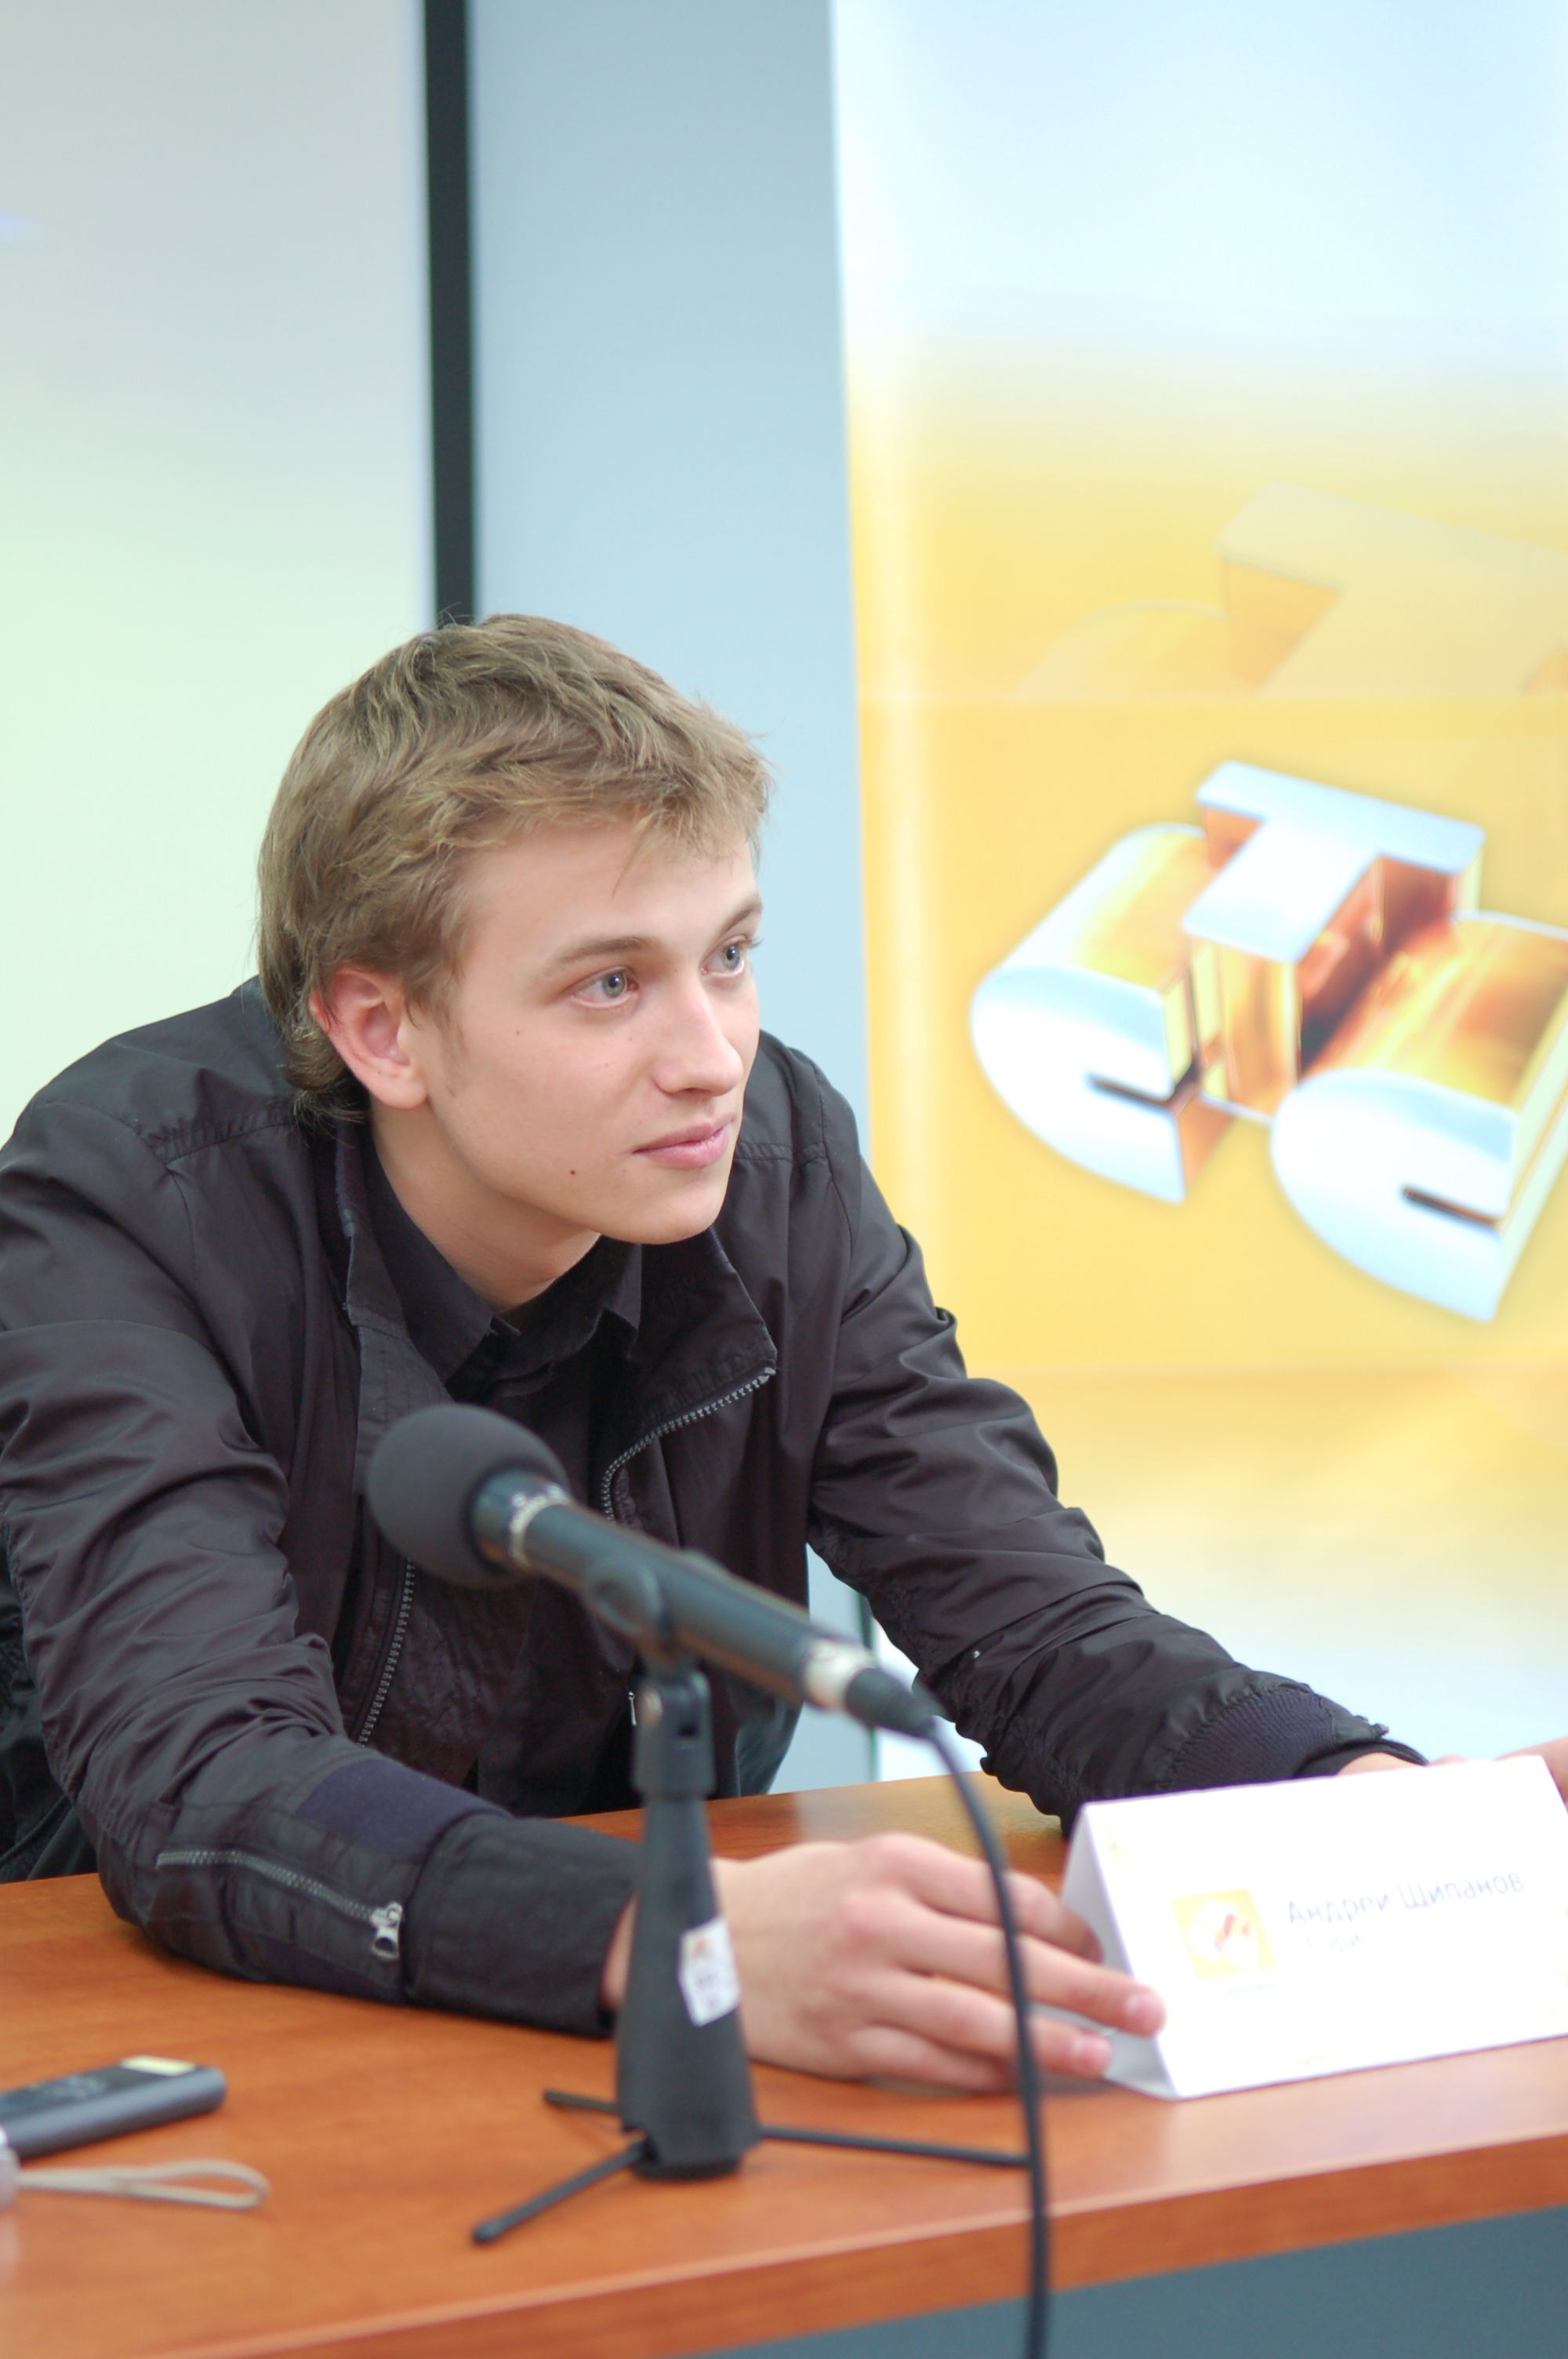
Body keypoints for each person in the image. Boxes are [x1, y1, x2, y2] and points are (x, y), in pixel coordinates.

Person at [0, 617, 1559, 2093]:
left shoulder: (769, 1160)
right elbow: (202, 1772)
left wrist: (1363, 1809)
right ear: (382, 1030)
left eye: (730, 956)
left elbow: (1024, 1613)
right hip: (167, 2039)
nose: (712, 1055)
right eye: (612, 983)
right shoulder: (123, 1201)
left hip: (602, 2034)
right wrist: (681, 1938)